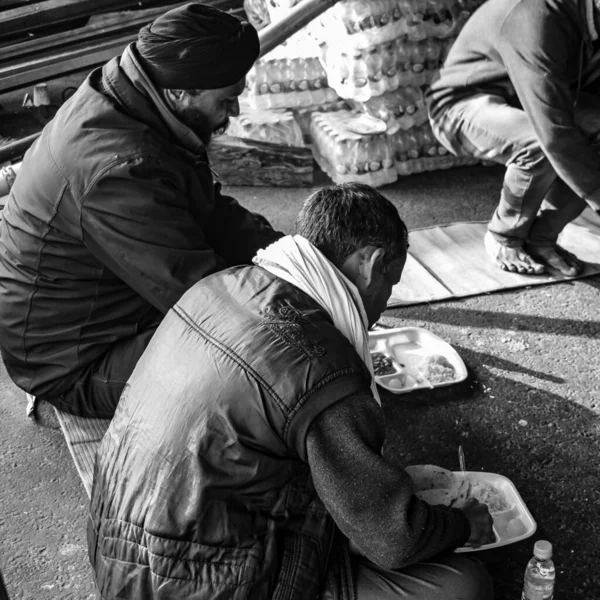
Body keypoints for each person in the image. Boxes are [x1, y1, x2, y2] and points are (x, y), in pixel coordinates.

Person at [88, 182, 495, 600]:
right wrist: (460, 523)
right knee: (464, 584)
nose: (382, 306)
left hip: (117, 553)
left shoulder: (220, 285)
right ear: (371, 264)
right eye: (390, 285)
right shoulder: (325, 370)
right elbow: (394, 541)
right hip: (208, 586)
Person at [0, 3, 282, 420]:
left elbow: (205, 211)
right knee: (263, 363)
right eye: (227, 100)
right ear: (179, 92)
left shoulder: (132, 96)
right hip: (76, 364)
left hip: (108, 314)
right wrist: (298, 307)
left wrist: (288, 255)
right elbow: (201, 296)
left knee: (267, 317)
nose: (235, 112)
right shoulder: (119, 170)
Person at [426, 0, 600, 276]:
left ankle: (540, 239)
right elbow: (553, 132)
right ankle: (504, 235)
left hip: (529, 100)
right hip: (459, 106)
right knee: (539, 144)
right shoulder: (537, 16)